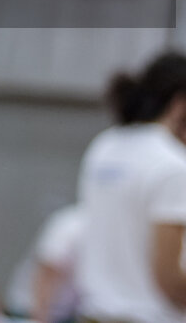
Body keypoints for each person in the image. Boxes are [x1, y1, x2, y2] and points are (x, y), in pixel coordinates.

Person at [75, 52, 186, 323]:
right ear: (179, 104)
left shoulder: (104, 146)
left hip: (92, 314)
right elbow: (169, 279)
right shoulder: (172, 164)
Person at [1, 204, 82, 323]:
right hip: (29, 311)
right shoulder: (73, 224)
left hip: (63, 314)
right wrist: (40, 317)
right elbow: (46, 273)